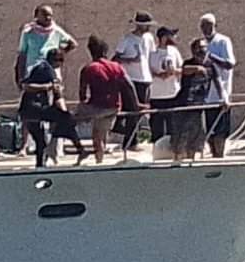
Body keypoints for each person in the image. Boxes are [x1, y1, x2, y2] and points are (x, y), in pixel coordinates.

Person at [18, 47, 86, 168]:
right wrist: (47, 87)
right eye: (61, 61)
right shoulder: (45, 69)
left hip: (32, 109)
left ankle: (41, 165)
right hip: (33, 109)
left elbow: (56, 95)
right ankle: (78, 148)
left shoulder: (45, 68)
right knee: (66, 119)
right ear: (57, 60)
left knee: (41, 139)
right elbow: (26, 86)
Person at [170, 38, 227, 162]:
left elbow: (218, 82)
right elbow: (183, 70)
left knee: (194, 140)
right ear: (193, 50)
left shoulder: (211, 65)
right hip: (183, 106)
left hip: (198, 107)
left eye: (203, 47)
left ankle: (191, 162)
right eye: (198, 48)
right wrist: (196, 69)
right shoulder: (188, 63)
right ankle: (178, 163)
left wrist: (223, 98)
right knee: (179, 140)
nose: (201, 50)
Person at [76, 35, 129, 164]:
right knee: (99, 132)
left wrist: (84, 105)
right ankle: (99, 159)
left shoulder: (89, 68)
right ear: (105, 51)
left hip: (96, 106)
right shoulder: (116, 66)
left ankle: (79, 147)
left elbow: (82, 91)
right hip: (114, 107)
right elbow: (128, 86)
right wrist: (136, 104)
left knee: (66, 121)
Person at [113, 11, 156, 149]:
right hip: (131, 78)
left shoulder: (149, 38)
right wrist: (129, 60)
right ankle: (130, 141)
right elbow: (115, 58)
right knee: (133, 110)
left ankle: (130, 137)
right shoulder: (127, 39)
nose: (148, 28)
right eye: (146, 25)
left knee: (141, 111)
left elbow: (150, 55)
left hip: (145, 78)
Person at [14, 4, 76, 87]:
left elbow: (73, 43)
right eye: (45, 15)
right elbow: (22, 55)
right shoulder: (28, 32)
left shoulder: (56, 30)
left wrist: (60, 53)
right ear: (36, 16)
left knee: (57, 95)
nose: (48, 18)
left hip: (52, 71)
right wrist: (20, 77)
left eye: (50, 15)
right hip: (33, 71)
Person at [200, 13, 235, 157]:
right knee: (210, 131)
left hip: (221, 95)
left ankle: (220, 156)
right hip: (206, 96)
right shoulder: (201, 44)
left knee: (221, 130)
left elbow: (229, 64)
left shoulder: (223, 41)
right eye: (203, 25)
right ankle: (214, 155)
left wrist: (211, 57)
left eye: (209, 25)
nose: (206, 28)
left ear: (215, 25)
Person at [147, 26, 183, 144]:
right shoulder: (152, 53)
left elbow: (182, 69)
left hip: (173, 94)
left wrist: (173, 72)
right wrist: (159, 75)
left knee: (173, 127)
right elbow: (147, 71)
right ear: (163, 37)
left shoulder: (174, 51)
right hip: (157, 95)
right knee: (157, 128)